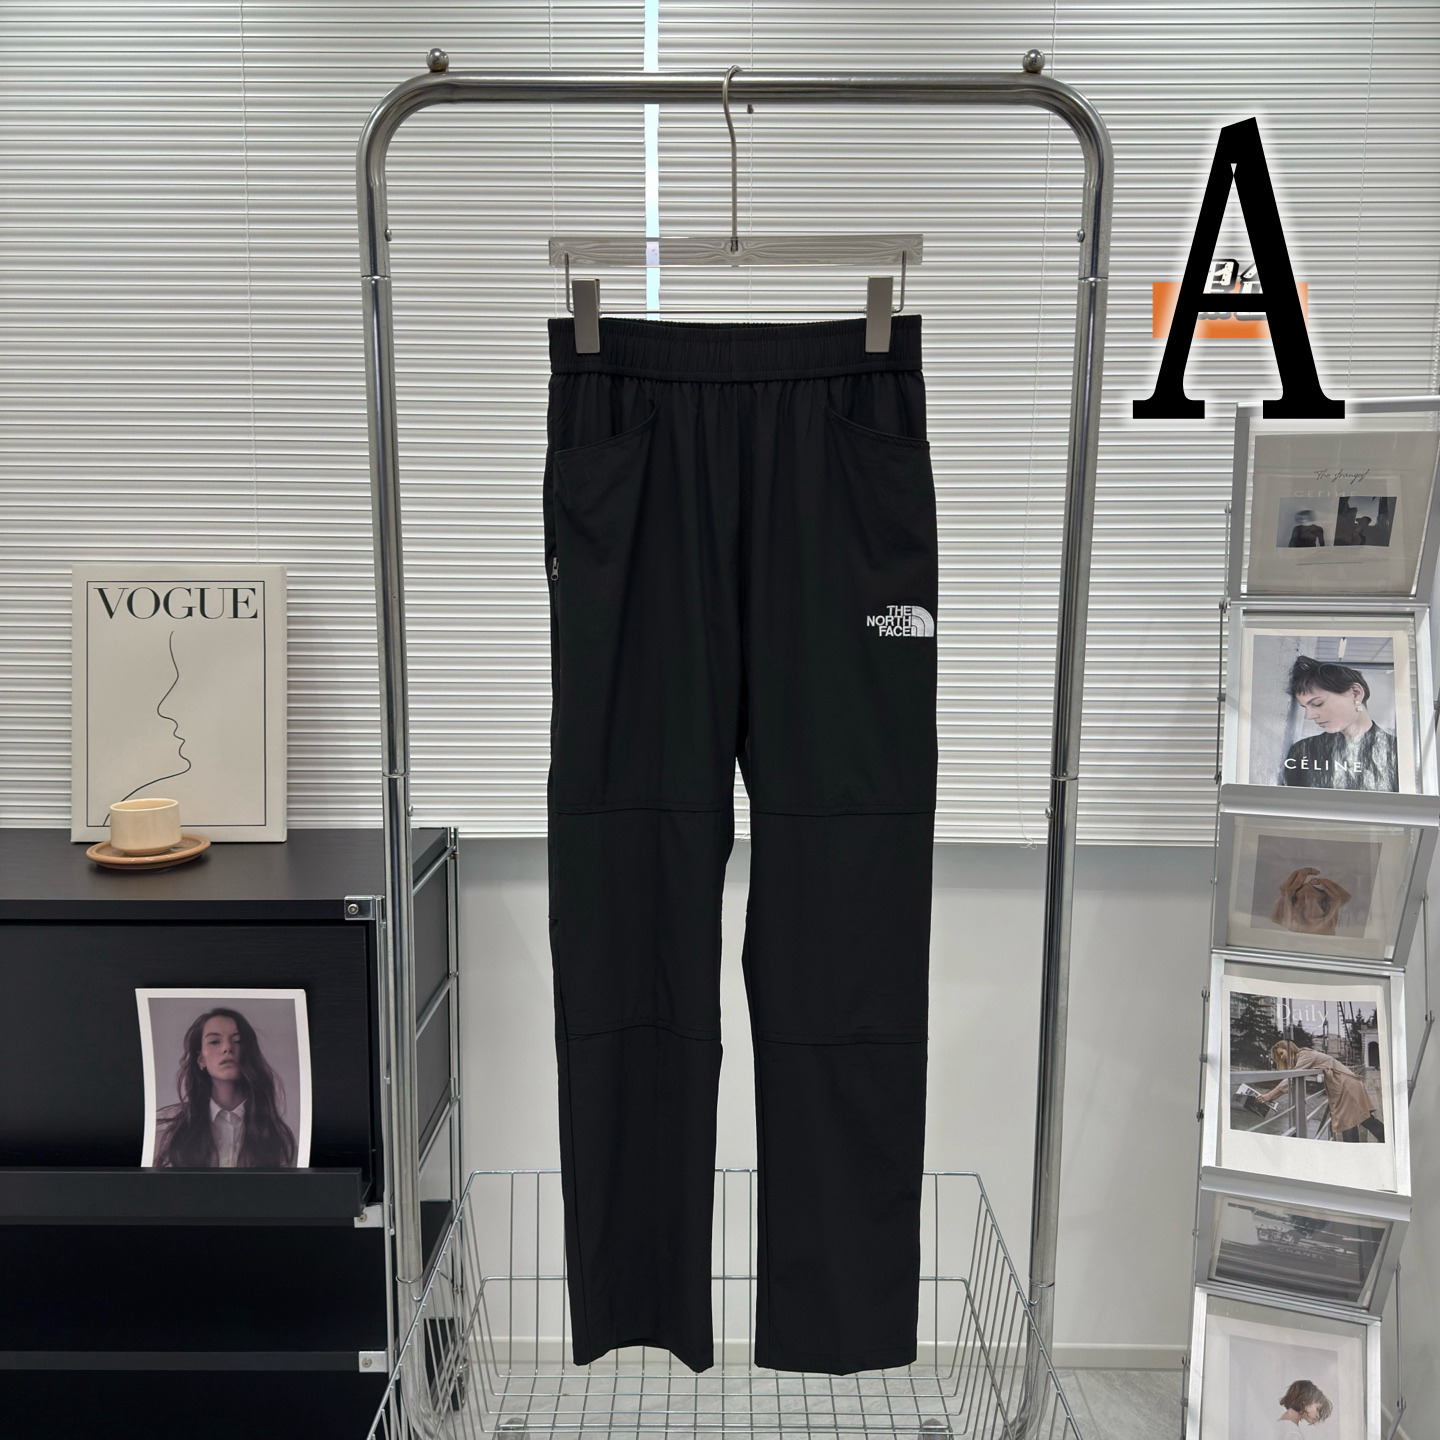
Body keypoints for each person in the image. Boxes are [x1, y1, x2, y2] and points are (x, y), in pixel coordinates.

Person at [153, 1007, 297, 1167]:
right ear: (201, 1059)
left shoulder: (275, 1135)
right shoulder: (167, 1128)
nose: (227, 1048)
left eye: (238, 1041)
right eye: (214, 1041)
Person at [1279, 655, 1399, 791]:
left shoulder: (1397, 752)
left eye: (1317, 703)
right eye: (1305, 707)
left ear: (1355, 693)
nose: (1309, 716)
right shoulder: (1303, 751)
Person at [1254, 1039, 1384, 1143]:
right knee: (1353, 1121)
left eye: (1281, 1053)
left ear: (1289, 1048)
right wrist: (1272, 1096)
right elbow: (1291, 1081)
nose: (1281, 1058)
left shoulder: (1305, 1056)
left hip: (1346, 1086)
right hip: (1346, 1084)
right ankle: (1361, 1150)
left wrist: (1269, 1095)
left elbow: (1291, 1080)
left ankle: (1385, 1142)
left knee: (1358, 1121)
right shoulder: (1304, 1054)